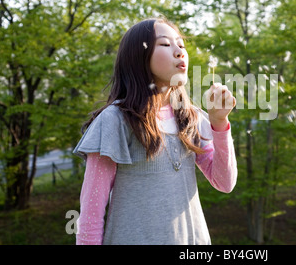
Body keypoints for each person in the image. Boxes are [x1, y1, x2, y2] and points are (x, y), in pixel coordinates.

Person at [73, 17, 237, 245]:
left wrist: (219, 124)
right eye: (165, 44)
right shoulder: (115, 121)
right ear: (139, 57)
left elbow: (224, 182)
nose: (179, 51)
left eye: (181, 44)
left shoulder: (192, 118)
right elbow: (91, 214)